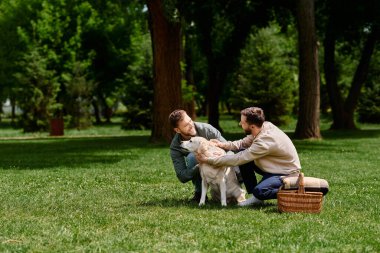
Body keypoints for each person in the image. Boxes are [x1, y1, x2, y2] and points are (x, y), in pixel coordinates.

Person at [197, 107, 301, 206]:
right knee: (243, 154)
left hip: (286, 173)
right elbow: (242, 143)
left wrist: (208, 160)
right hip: (274, 167)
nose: (240, 124)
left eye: (242, 123)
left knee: (260, 191)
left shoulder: (265, 141)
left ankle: (292, 190)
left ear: (252, 126)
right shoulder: (263, 126)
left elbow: (238, 159)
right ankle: (255, 197)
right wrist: (222, 144)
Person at [169, 109, 240, 202]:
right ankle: (200, 193)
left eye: (190, 120)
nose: (191, 125)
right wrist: (200, 164)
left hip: (221, 166)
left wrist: (219, 154)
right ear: (177, 130)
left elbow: (229, 149)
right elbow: (182, 176)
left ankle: (235, 189)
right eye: (186, 125)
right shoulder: (176, 146)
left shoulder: (207, 130)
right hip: (202, 171)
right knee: (192, 157)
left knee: (231, 156)